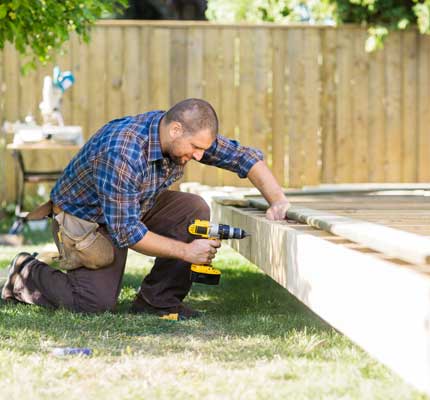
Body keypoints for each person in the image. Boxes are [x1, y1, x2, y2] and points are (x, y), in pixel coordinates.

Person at [1, 98, 289, 319]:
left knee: (193, 208)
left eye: (203, 149)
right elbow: (127, 232)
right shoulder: (123, 151)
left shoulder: (184, 135)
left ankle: (157, 300)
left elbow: (244, 158)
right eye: (196, 148)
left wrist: (277, 200)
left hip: (134, 205)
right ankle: (24, 272)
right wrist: (187, 252)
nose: (200, 155)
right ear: (176, 129)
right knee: (93, 303)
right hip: (84, 218)